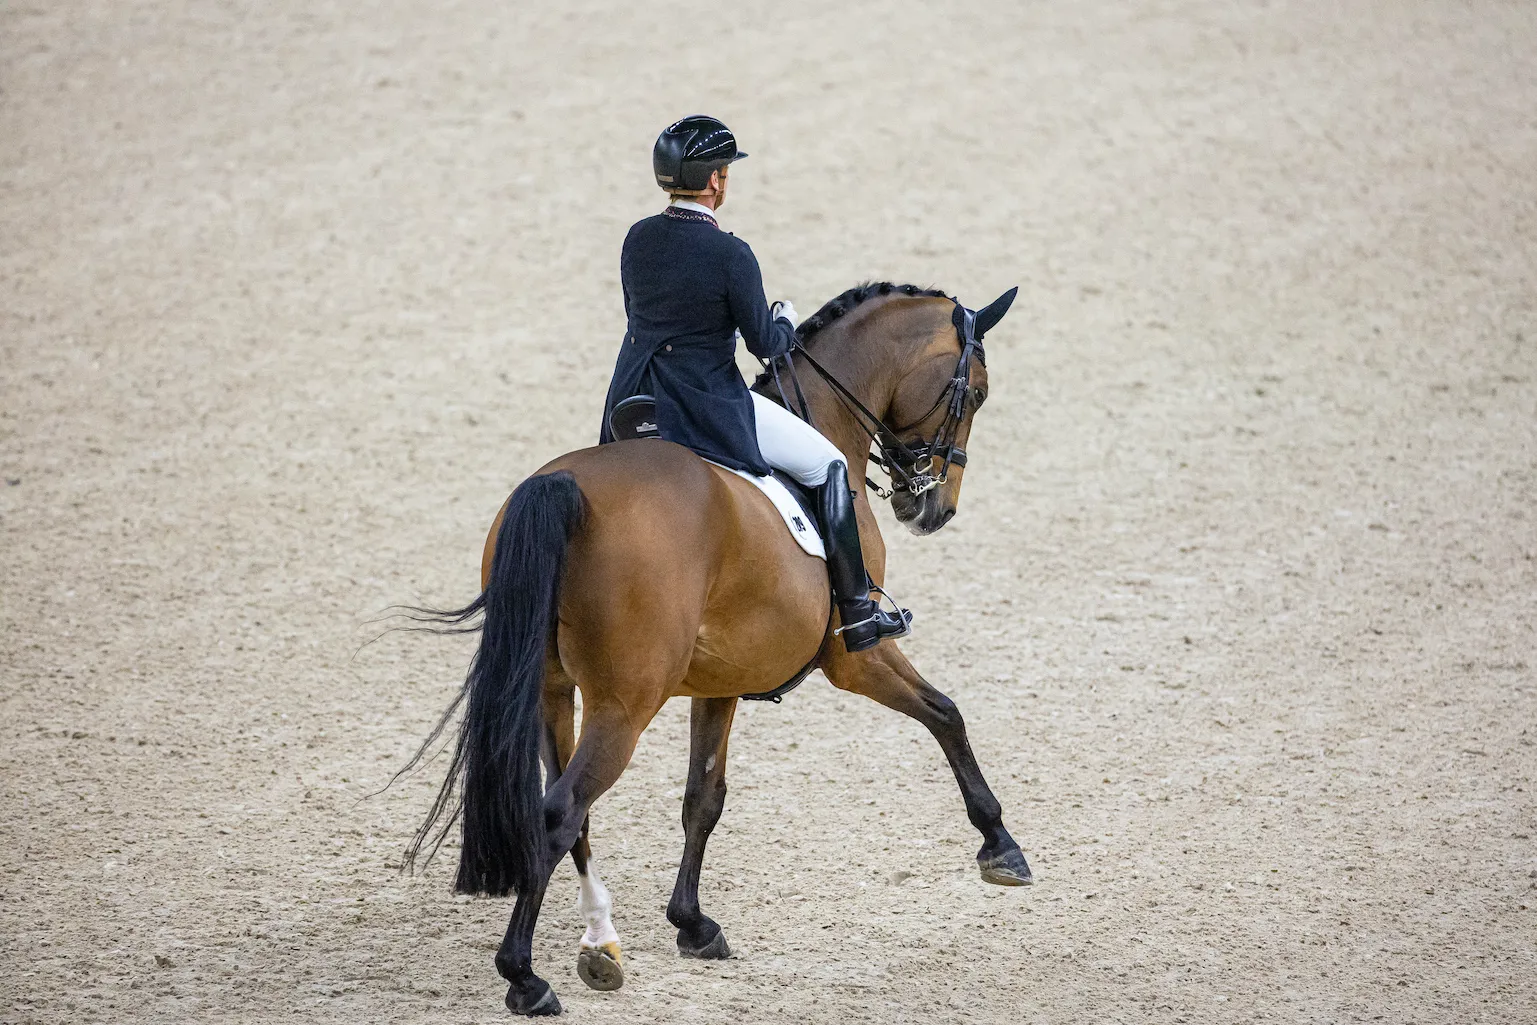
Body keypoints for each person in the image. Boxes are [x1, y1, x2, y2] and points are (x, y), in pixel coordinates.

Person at [599, 114, 910, 653]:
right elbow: (766, 345)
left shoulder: (638, 238)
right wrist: (784, 319)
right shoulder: (729, 253)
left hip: (634, 399)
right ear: (715, 180)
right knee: (829, 464)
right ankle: (859, 612)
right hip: (704, 404)